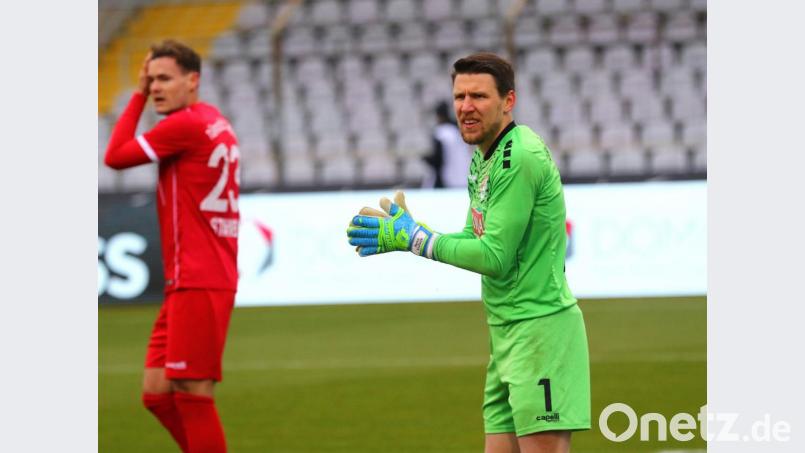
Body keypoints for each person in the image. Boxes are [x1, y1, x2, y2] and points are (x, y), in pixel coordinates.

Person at [347, 53, 590, 453]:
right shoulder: (483, 158)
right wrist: (411, 235)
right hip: (507, 333)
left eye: (478, 96)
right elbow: (470, 236)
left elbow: (492, 256)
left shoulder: (519, 157)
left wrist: (416, 239)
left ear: (508, 101)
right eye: (459, 96)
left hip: (541, 332)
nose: (465, 106)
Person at [104, 40, 240, 453]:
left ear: (192, 80)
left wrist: (136, 95)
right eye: (151, 80)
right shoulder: (213, 119)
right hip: (188, 278)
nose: (155, 88)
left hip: (200, 276)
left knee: (192, 394)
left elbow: (115, 156)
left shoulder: (183, 126)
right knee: (157, 393)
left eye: (163, 79)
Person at [422, 101, 472, 188]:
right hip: (464, 178)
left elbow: (438, 161)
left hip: (448, 181)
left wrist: (426, 159)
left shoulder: (440, 133)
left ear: (438, 116)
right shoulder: (460, 131)